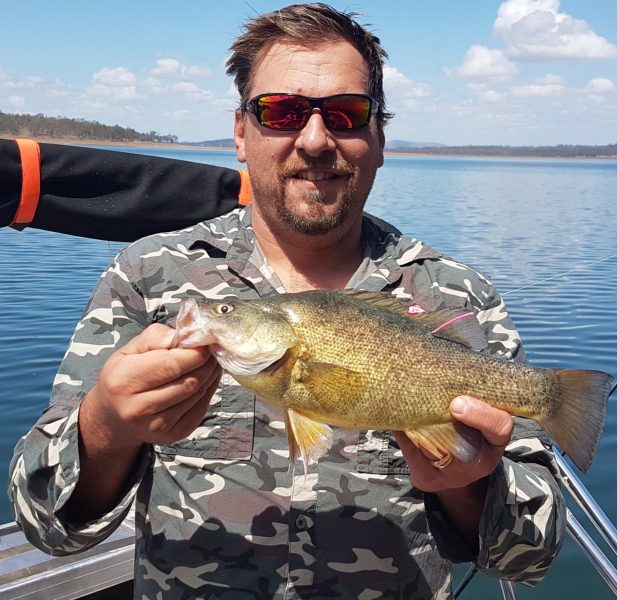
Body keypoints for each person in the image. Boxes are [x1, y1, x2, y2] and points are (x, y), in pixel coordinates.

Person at [9, 4, 566, 598]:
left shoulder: (457, 297)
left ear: (379, 137)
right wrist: (105, 428)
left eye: (347, 113)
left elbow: (530, 557)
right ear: (241, 133)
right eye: (281, 112)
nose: (316, 139)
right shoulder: (148, 275)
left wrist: (467, 482)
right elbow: (45, 527)